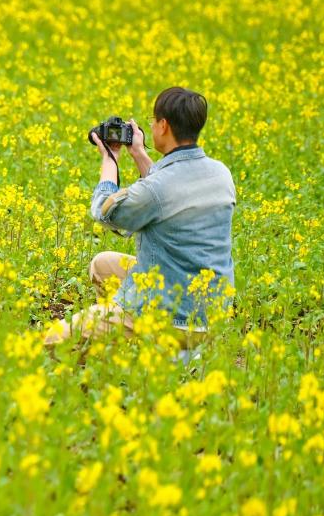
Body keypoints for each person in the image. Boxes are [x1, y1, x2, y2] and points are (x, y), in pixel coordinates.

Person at [44, 86, 236, 347]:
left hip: (172, 318)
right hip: (212, 313)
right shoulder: (221, 173)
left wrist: (109, 160)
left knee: (55, 340)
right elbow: (170, 191)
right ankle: (130, 348)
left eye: (153, 120)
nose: (152, 126)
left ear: (163, 126)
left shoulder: (158, 188)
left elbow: (104, 212)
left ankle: (145, 342)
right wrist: (138, 153)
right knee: (103, 266)